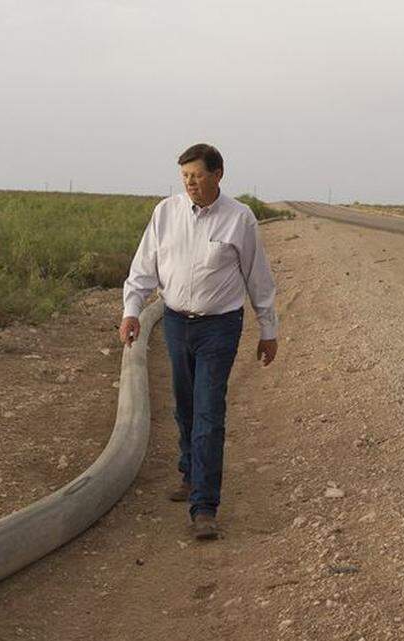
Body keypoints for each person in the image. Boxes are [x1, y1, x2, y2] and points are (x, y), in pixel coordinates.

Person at [119, 143, 279, 540]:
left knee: (209, 410)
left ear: (218, 174)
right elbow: (143, 267)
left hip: (219, 328)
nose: (190, 183)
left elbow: (258, 278)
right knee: (186, 404)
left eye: (198, 175)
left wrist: (268, 329)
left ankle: (204, 507)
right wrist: (131, 311)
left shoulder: (240, 219)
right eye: (185, 176)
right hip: (174, 322)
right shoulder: (165, 213)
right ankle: (190, 473)